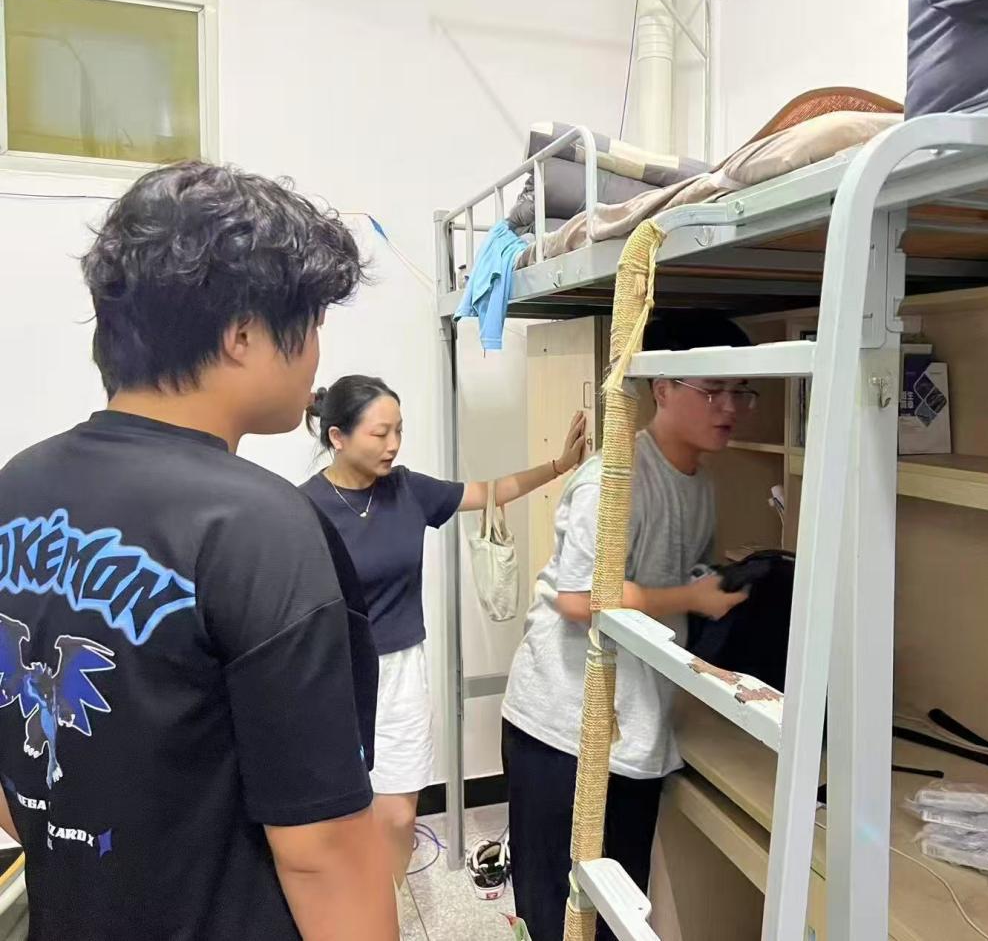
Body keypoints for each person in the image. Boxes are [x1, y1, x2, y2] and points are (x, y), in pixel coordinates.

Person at [0, 161, 397, 940]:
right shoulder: (261, 526)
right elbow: (321, 851)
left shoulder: (17, 485)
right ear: (242, 334)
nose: (318, 356)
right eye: (312, 322)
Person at [501, 310, 756, 941]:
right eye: (713, 390)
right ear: (662, 388)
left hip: (634, 726)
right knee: (554, 909)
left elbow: (668, 572)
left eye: (741, 391)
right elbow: (578, 597)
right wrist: (690, 598)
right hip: (563, 724)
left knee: (619, 909)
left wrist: (715, 582)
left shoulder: (698, 481)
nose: (730, 407)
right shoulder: (613, 480)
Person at [301, 375, 587, 888]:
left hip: (401, 672)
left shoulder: (407, 489)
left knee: (398, 816)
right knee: (341, 816)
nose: (393, 444)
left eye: (399, 431)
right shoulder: (304, 507)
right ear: (337, 437)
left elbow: (490, 493)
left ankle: (386, 906)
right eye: (379, 434)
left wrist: (560, 466)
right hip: (335, 674)